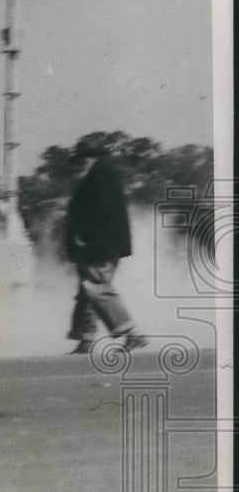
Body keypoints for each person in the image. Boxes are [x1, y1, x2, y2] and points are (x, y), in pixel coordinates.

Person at [64, 137, 148, 354]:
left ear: (91, 158)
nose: (80, 164)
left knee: (95, 286)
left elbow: (99, 207)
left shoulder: (100, 174)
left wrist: (83, 232)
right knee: (87, 291)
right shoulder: (101, 174)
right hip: (100, 243)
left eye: (83, 159)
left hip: (99, 244)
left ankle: (133, 333)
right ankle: (86, 339)